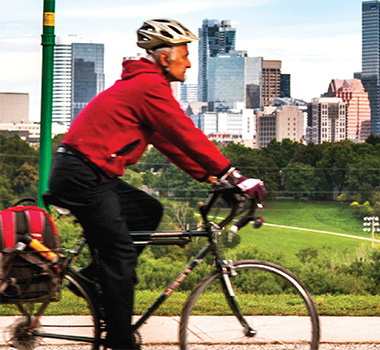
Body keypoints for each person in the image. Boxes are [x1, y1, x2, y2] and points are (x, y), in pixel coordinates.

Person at [44, 19, 265, 350]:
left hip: (87, 172)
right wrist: (233, 174)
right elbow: (184, 132)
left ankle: (93, 279)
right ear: (165, 58)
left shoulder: (144, 86)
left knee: (148, 209)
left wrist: (212, 177)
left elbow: (169, 142)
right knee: (120, 258)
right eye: (185, 55)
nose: (189, 62)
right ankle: (120, 341)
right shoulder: (148, 87)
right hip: (83, 175)